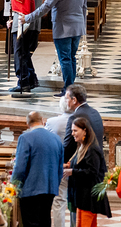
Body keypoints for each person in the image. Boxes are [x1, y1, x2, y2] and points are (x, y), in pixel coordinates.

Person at [20, 0, 88, 96]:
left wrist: (27, 18)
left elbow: (45, 8)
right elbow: (84, 8)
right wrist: (83, 26)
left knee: (65, 59)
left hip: (63, 29)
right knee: (71, 57)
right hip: (77, 28)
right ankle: (71, 88)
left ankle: (68, 90)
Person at [11, 112, 64, 227]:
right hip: (50, 188)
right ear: (42, 120)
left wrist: (13, 185)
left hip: (30, 189)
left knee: (31, 222)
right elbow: (60, 168)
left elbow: (20, 167)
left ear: (27, 124)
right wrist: (55, 185)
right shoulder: (56, 139)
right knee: (45, 220)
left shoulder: (25, 138)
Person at [5, 0, 44, 95]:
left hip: (23, 24)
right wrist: (13, 19)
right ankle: (32, 79)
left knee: (20, 54)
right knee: (25, 53)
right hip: (33, 24)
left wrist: (16, 21)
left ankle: (23, 83)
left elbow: (23, 7)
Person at [66, 118, 112, 227]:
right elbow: (80, 164)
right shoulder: (82, 146)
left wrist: (73, 172)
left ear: (85, 131)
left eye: (75, 130)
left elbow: (92, 172)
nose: (72, 134)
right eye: (72, 131)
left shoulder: (92, 149)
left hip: (88, 198)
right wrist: (68, 166)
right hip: (81, 197)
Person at [46, 96, 76, 227]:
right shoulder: (80, 121)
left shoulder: (51, 122)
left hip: (59, 165)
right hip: (76, 164)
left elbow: (46, 142)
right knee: (75, 200)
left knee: (59, 201)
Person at [63, 84, 104, 162]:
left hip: (84, 163)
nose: (65, 101)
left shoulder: (75, 117)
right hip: (98, 161)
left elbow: (68, 146)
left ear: (74, 100)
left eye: (66, 99)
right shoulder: (95, 112)